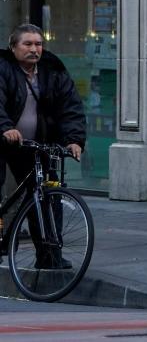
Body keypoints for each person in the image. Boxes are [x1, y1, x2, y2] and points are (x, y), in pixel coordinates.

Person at [0, 24, 86, 269]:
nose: (34, 49)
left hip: (34, 144)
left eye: (38, 44)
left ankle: (49, 256)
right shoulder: (3, 68)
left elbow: (71, 107)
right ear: (13, 47)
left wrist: (74, 140)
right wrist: (5, 127)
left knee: (46, 195)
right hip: (4, 138)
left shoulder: (52, 70)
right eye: (27, 44)